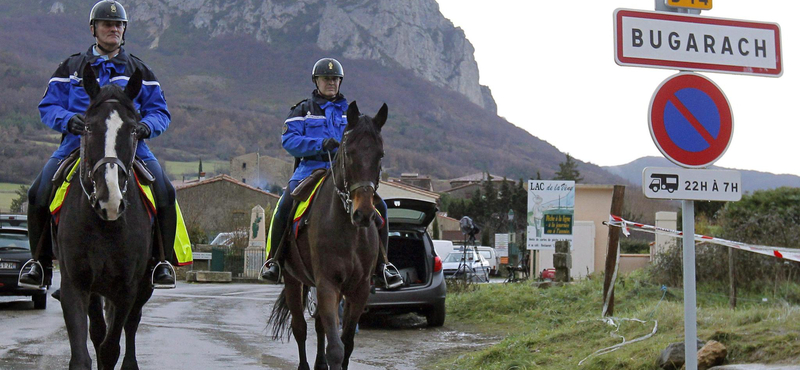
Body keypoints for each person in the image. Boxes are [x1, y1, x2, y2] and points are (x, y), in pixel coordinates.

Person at [19, 0, 178, 289]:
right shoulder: (71, 67)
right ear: (94, 29)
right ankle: (39, 264)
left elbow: (160, 112)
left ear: (124, 30)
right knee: (38, 192)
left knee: (165, 191)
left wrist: (146, 126)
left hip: (130, 146)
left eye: (118, 25)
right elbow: (48, 105)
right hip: (77, 145)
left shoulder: (139, 70)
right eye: (107, 24)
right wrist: (68, 120)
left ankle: (161, 262)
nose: (113, 29)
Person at [261, 57, 403, 290]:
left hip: (345, 176)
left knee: (382, 209)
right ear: (316, 81)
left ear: (340, 82)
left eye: (335, 79)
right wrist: (319, 144)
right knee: (285, 206)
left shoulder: (352, 115)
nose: (331, 83)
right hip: (310, 170)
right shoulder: (302, 110)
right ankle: (274, 262)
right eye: (326, 79)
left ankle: (383, 266)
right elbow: (289, 140)